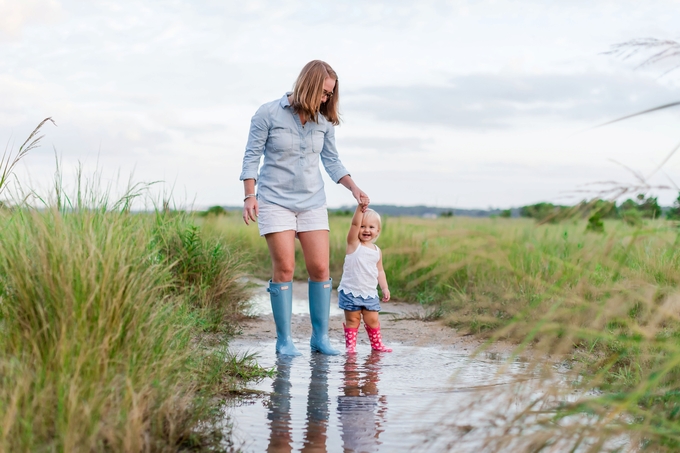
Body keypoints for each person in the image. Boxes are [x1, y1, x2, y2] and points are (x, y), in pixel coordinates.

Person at [240, 60, 369, 356]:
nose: (326, 99)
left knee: (320, 268)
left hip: (312, 202)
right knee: (285, 268)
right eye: (324, 93)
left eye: (330, 95)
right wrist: (250, 195)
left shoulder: (323, 123)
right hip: (274, 200)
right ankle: (284, 340)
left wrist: (354, 187)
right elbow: (251, 157)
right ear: (309, 86)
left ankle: (319, 338)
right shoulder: (268, 113)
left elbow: (332, 161)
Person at [337, 204, 392, 353]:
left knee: (372, 320)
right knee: (353, 320)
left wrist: (384, 288)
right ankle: (350, 347)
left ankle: (377, 345)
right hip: (351, 291)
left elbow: (380, 271)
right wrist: (359, 209)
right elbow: (354, 223)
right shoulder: (353, 245)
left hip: (369, 293)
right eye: (362, 226)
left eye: (371, 227)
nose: (366, 230)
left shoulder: (377, 251)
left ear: (377, 231)